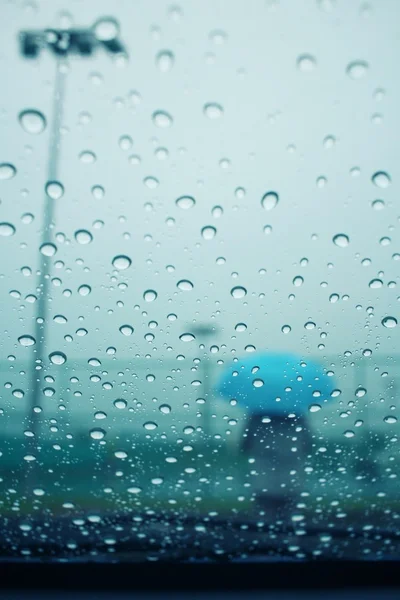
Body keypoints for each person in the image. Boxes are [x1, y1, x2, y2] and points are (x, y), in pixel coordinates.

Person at [242, 412, 313, 525]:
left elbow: (245, 445)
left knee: (264, 519)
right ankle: (288, 540)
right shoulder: (298, 416)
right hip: (291, 479)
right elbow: (307, 445)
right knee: (290, 521)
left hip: (263, 479)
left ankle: (265, 540)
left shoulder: (256, 416)